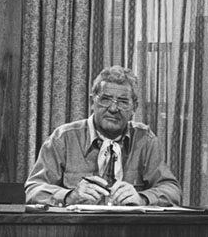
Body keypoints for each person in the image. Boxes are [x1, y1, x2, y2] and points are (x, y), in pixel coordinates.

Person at [25, 66, 181, 206]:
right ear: (92, 102)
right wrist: (69, 196)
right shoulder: (63, 138)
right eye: (105, 100)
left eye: (122, 102)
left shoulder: (145, 140)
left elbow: (172, 190)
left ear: (134, 107)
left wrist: (142, 198)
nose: (113, 108)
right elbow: (33, 189)